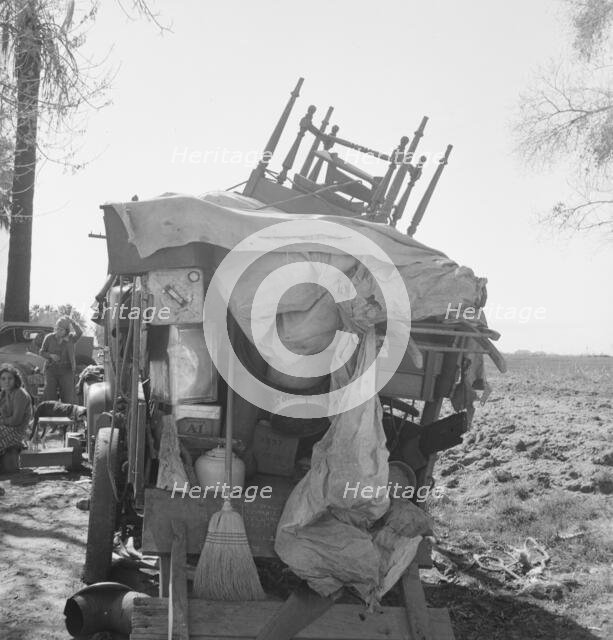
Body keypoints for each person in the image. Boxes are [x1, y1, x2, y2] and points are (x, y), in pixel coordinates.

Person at [39, 315, 83, 404]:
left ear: (66, 330)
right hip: (51, 370)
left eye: (61, 329)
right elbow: (41, 352)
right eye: (57, 328)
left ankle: (66, 415)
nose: (58, 331)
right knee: (50, 396)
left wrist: (72, 322)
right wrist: (51, 355)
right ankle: (52, 415)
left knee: (67, 397)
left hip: (67, 371)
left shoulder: (71, 338)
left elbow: (80, 333)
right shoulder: (49, 338)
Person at [0, 364, 33, 457]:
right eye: (3, 379)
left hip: (17, 432)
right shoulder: (3, 393)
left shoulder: (20, 393)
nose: (6, 381)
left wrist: (1, 421)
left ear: (15, 380)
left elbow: (16, 421)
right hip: (5, 428)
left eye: (10, 378)